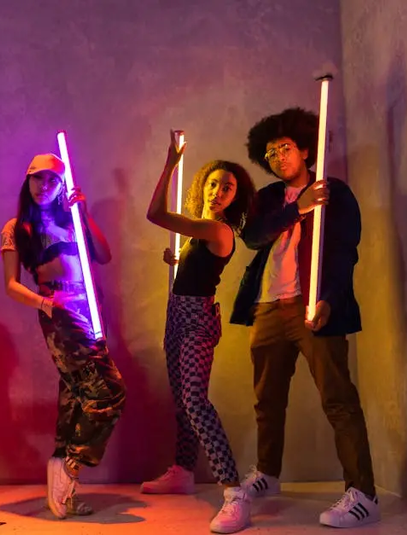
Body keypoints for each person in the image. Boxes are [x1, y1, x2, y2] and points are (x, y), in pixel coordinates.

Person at [230, 107, 379, 528]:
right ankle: (267, 473)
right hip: (268, 306)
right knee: (267, 399)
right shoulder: (268, 198)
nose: (278, 157)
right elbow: (252, 237)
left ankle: (363, 494)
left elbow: (345, 250)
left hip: (311, 305)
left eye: (285, 148)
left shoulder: (334, 192)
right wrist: (298, 208)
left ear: (305, 150)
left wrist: (329, 298)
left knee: (338, 398)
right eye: (271, 153)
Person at [0, 154, 126, 519]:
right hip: (60, 311)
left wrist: (83, 214)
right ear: (27, 181)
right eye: (37, 178)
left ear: (63, 186)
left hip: (90, 308)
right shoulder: (17, 227)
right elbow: (11, 285)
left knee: (75, 395)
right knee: (109, 391)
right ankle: (70, 464)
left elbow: (103, 255)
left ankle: (63, 488)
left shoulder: (70, 219)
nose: (44, 186)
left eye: (52, 180)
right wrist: (46, 304)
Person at [142, 131, 257, 533]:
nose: (218, 191)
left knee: (195, 401)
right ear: (203, 186)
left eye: (227, 187)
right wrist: (179, 260)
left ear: (235, 197)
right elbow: (198, 267)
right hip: (177, 314)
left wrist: (171, 163)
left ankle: (234, 493)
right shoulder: (200, 233)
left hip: (197, 321)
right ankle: (183, 470)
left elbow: (155, 214)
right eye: (214, 183)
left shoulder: (219, 231)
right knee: (181, 400)